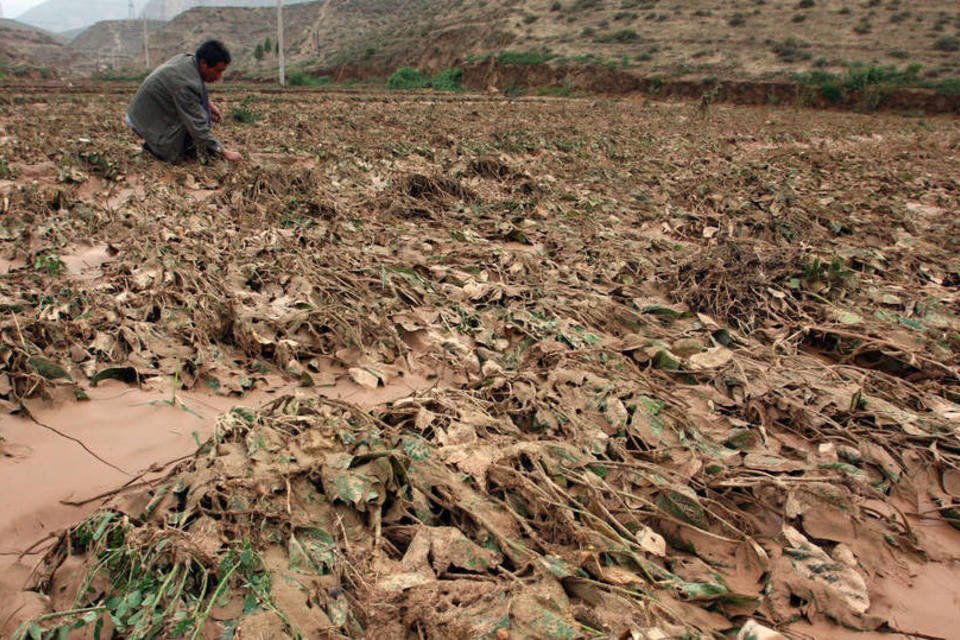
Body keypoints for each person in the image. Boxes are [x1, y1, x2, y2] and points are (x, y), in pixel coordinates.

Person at [126, 40, 242, 163]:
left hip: (147, 109)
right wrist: (223, 152)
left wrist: (207, 104)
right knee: (187, 128)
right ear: (203, 63)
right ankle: (154, 150)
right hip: (142, 118)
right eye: (218, 71)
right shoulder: (185, 84)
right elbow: (198, 127)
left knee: (198, 114)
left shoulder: (189, 59)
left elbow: (195, 89)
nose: (220, 77)